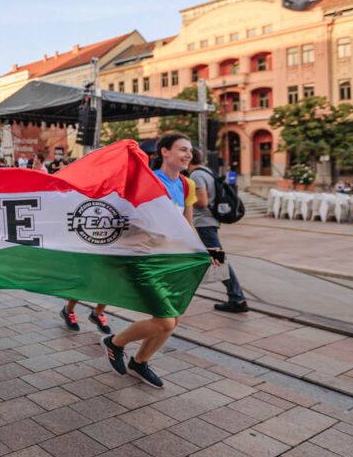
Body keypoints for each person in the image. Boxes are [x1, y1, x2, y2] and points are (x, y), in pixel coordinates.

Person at [101, 132, 210, 389]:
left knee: (173, 318)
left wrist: (202, 251)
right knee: (164, 320)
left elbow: (187, 223)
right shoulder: (148, 181)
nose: (188, 155)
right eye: (182, 149)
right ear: (164, 151)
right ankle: (114, 343)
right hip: (145, 258)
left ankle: (140, 362)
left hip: (172, 260)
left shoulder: (187, 185)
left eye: (190, 151)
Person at [189, 148, 249, 313]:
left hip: (203, 222)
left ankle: (237, 298)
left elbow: (201, 201)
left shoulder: (196, 175)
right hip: (208, 221)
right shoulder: (208, 171)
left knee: (218, 260)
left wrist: (183, 197)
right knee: (200, 259)